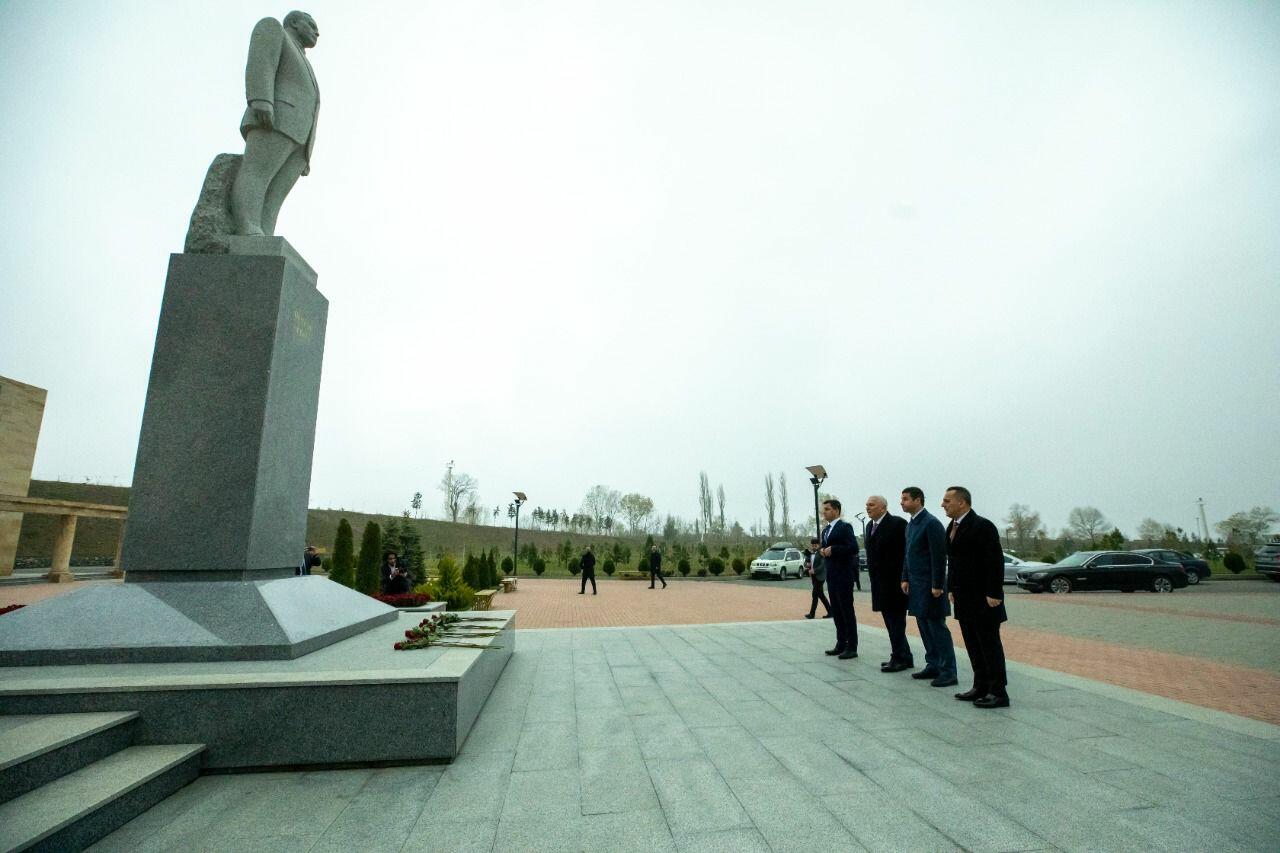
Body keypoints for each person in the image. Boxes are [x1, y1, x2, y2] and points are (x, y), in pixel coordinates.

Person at [230, 11, 321, 236]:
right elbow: (262, 62)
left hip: (301, 135)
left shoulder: (304, 59)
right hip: (276, 119)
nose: (317, 32)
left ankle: (264, 234)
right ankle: (246, 227)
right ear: (294, 22)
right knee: (257, 173)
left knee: (276, 193)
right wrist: (262, 99)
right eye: (311, 25)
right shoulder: (274, 30)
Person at [942, 486, 1010, 708]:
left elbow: (995, 561)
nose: (943, 505)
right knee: (972, 644)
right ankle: (980, 686)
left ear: (962, 502)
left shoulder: (982, 526)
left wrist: (994, 592)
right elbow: (954, 562)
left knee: (989, 645)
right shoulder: (951, 527)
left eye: (947, 501)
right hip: (963, 598)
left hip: (984, 599)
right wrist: (951, 588)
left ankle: (998, 692)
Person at [900, 487, 958, 687]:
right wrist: (905, 577)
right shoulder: (911, 524)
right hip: (916, 585)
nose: (902, 502)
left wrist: (937, 584)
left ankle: (948, 671)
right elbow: (908, 554)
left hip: (930, 586)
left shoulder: (931, 523)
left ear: (918, 500)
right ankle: (933, 664)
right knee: (924, 626)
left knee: (936, 627)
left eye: (906, 499)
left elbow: (938, 556)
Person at [864, 496, 912, 672]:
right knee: (890, 622)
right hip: (879, 584)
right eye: (867, 505)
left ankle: (899, 657)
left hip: (895, 584)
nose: (868, 508)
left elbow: (906, 553)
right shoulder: (870, 526)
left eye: (872, 505)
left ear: (883, 508)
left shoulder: (897, 524)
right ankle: (905, 655)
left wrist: (905, 578)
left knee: (896, 622)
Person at [818, 499, 859, 659]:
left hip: (843, 576)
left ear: (836, 510)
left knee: (847, 611)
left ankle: (852, 646)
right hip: (832, 576)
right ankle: (841, 643)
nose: (824, 512)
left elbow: (853, 547)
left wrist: (834, 549)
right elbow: (824, 547)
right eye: (824, 509)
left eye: (827, 509)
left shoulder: (844, 527)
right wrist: (822, 550)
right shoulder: (826, 530)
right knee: (836, 611)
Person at [803, 538, 831, 619]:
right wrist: (807, 564)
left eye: (815, 546)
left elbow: (822, 565)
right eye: (812, 546)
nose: (814, 547)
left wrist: (814, 570)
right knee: (821, 595)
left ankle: (812, 614)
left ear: (819, 545)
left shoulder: (821, 553)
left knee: (814, 594)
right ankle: (831, 611)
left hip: (820, 576)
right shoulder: (810, 553)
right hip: (813, 577)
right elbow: (806, 563)